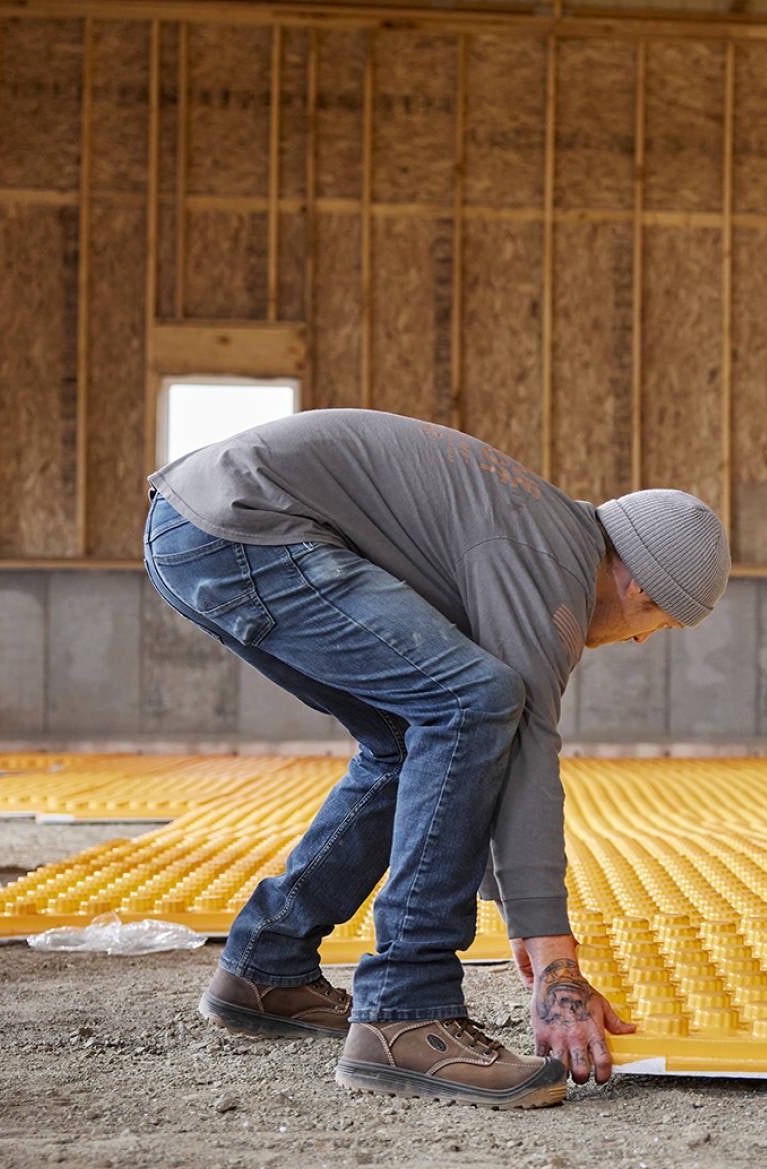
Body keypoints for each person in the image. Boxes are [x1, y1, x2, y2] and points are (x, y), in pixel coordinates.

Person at [143, 408, 729, 1109]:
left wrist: (526, 918)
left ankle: (268, 965)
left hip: (205, 525)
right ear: (640, 587)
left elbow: (489, 759)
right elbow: (528, 747)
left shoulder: (539, 533)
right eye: (654, 627)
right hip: (245, 529)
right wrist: (553, 961)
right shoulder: (546, 566)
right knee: (471, 700)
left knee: (409, 736)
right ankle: (405, 1008)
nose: (638, 641)